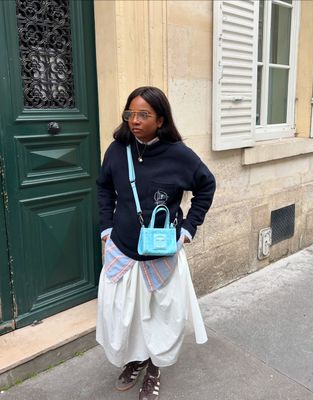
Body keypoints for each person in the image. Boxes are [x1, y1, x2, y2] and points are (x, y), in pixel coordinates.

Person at [96, 86, 216, 400]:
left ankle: (155, 368)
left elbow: (206, 187)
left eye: (143, 115)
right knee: (127, 313)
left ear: (160, 120)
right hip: (122, 249)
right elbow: (104, 188)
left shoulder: (179, 155)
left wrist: (188, 229)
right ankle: (135, 359)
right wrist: (106, 229)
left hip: (162, 254)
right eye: (130, 114)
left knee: (163, 316)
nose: (134, 120)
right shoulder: (116, 150)